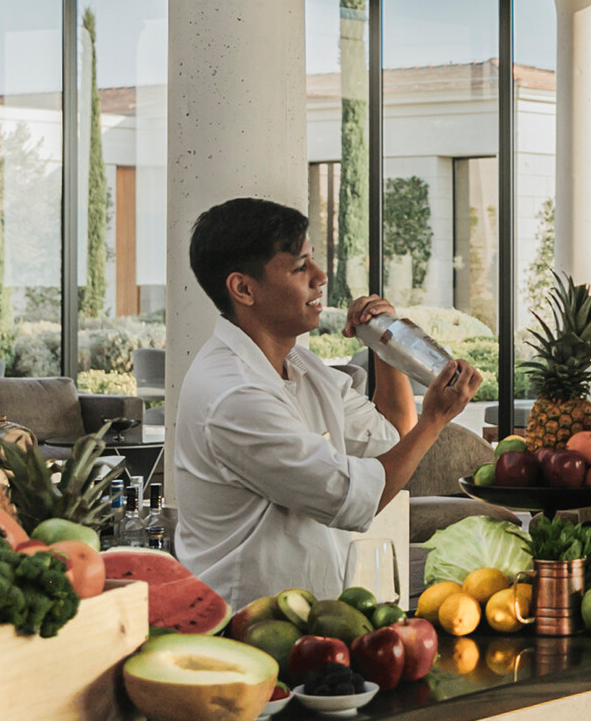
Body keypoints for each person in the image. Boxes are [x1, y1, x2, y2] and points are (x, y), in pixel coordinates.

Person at [171, 198, 482, 608]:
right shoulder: (234, 395)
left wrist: (386, 342)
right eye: (301, 267)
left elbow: (392, 436)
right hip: (243, 624)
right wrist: (435, 420)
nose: (321, 277)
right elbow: (353, 499)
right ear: (244, 289)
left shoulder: (301, 366)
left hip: (311, 618)